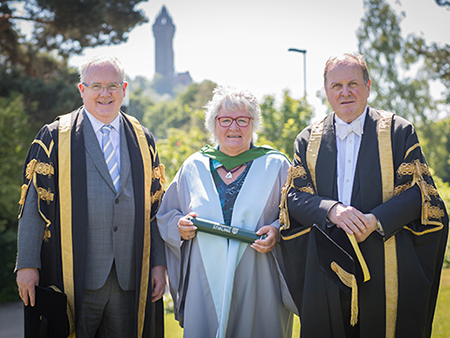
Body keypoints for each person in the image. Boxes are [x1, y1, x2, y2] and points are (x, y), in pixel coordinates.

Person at [279, 52, 449, 338]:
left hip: (385, 260)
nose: (345, 92)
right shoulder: (308, 140)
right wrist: (331, 210)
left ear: (368, 86)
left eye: (353, 84)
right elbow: (293, 198)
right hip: (326, 267)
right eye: (337, 86)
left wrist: (375, 220)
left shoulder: (398, 131)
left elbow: (420, 193)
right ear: (326, 91)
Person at [15, 55, 167, 338]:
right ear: (82, 90)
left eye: (112, 86)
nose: (105, 94)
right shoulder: (54, 137)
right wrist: (26, 264)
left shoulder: (143, 139)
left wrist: (158, 263)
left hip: (130, 278)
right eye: (96, 86)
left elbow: (155, 207)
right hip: (73, 277)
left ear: (123, 89)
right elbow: (33, 206)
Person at [156, 86, 297, 338]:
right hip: (204, 276)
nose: (234, 127)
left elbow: (296, 215)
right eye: (225, 120)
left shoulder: (276, 165)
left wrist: (276, 229)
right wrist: (180, 226)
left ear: (253, 124)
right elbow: (167, 215)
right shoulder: (193, 166)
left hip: (257, 276)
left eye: (243, 120)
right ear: (213, 124)